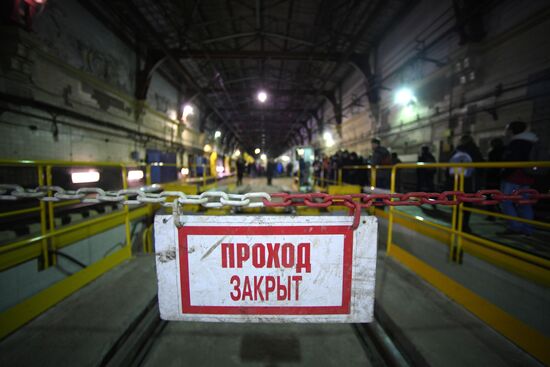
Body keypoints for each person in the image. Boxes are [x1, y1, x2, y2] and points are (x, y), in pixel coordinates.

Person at [499, 121, 538, 236]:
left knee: (506, 201)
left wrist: (504, 173)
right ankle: (528, 229)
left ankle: (515, 227)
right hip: (527, 175)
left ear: (511, 130)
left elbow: (512, 161)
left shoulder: (516, 143)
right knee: (525, 202)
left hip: (514, 176)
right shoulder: (532, 141)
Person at [449, 135, 484, 232]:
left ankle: (457, 224)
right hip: (470, 182)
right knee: (467, 203)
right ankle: (464, 225)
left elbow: (450, 170)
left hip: (457, 181)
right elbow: (481, 167)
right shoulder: (475, 151)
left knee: (456, 202)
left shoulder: (458, 152)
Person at [485, 138, 504, 221]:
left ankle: (491, 215)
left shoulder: (492, 153)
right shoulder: (504, 152)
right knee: (499, 197)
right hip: (501, 178)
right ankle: (502, 214)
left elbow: (490, 166)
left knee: (490, 196)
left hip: (492, 178)